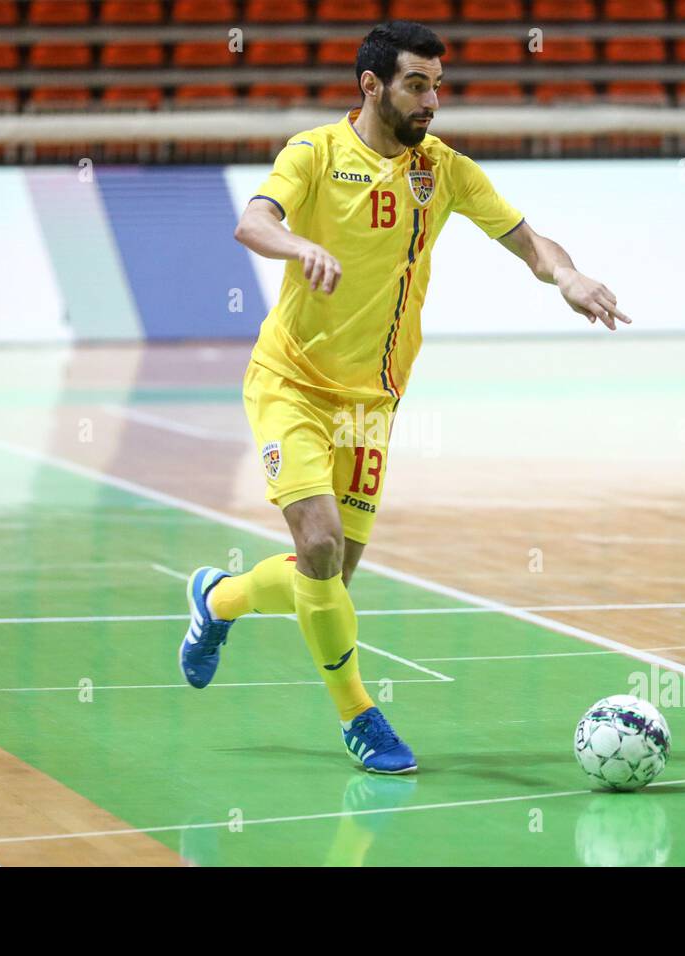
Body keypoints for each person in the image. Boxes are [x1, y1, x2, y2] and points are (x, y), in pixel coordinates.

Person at [181, 20, 630, 774]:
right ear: (372, 85)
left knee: (327, 580)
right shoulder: (315, 152)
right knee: (319, 547)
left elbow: (528, 241)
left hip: (371, 404)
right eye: (418, 85)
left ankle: (218, 599)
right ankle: (360, 718)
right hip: (290, 382)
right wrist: (300, 245)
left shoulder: (443, 170)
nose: (432, 102)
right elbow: (253, 221)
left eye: (438, 88)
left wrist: (568, 277)